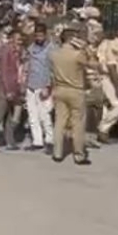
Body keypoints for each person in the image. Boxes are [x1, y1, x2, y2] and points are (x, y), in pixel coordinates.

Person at [50, 25, 96, 165]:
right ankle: (79, 154)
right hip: (75, 90)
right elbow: (93, 64)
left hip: (59, 88)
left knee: (59, 121)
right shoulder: (77, 55)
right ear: (71, 39)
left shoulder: (54, 54)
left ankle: (57, 152)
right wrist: (87, 49)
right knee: (78, 123)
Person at [25, 23, 55, 153]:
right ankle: (37, 141)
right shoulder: (31, 48)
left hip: (44, 85)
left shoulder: (51, 49)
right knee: (33, 115)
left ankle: (49, 139)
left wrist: (48, 86)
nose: (39, 37)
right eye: (37, 35)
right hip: (31, 84)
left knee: (45, 115)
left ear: (45, 34)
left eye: (41, 35)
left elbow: (53, 69)